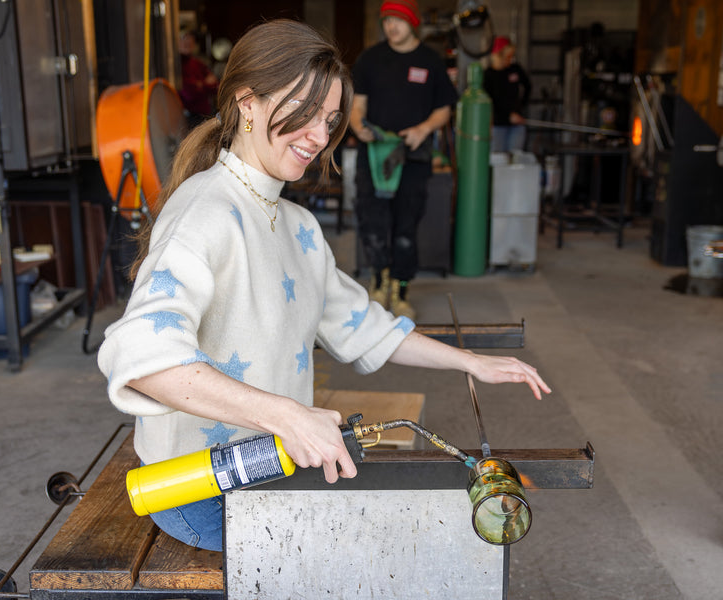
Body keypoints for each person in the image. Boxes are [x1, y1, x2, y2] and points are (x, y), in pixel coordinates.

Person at [97, 18, 550, 553]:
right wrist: (287, 415)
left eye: (331, 120)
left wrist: (469, 361)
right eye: (305, 114)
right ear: (248, 102)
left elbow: (362, 325)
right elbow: (146, 360)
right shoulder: (204, 210)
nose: (319, 136)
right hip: (200, 486)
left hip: (273, 465)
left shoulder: (298, 226)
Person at [349, 0, 458, 320]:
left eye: (398, 20)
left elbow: (444, 109)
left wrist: (423, 129)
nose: (391, 26)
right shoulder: (370, 59)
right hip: (377, 154)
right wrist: (359, 127)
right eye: (387, 20)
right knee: (373, 220)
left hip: (413, 156)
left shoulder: (430, 61)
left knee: (406, 224)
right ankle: (378, 284)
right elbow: (358, 106)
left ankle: (401, 291)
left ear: (413, 22)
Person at [483, 36, 531, 153]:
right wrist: (507, 115)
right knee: (498, 157)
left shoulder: (515, 69)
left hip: (517, 124)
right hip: (498, 124)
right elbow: (491, 102)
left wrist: (520, 108)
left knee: (516, 157)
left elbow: (528, 86)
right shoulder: (488, 75)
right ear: (498, 56)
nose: (510, 59)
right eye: (507, 56)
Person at [178, 29, 219, 129]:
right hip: (186, 118)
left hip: (203, 115)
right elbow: (188, 94)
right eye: (184, 39)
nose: (187, 42)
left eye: (190, 39)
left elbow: (216, 86)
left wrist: (199, 85)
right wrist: (205, 84)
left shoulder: (198, 64)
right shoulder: (176, 65)